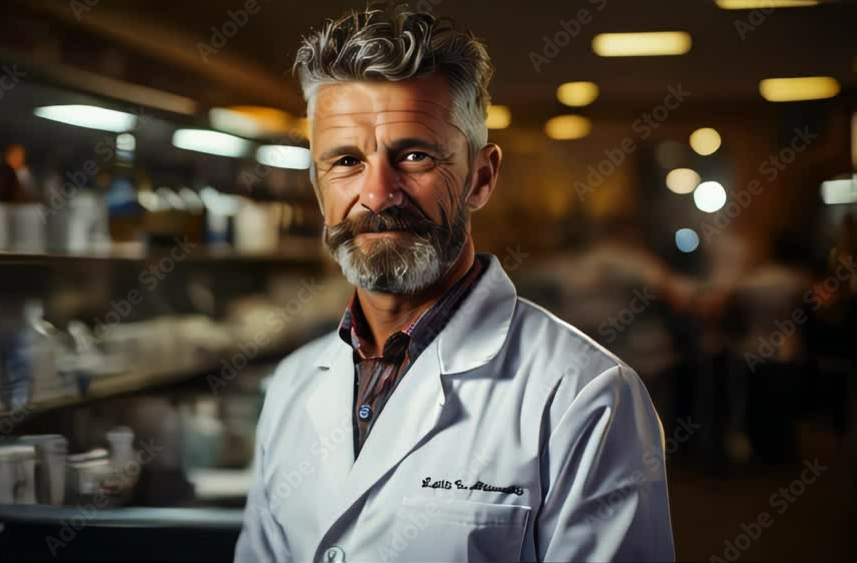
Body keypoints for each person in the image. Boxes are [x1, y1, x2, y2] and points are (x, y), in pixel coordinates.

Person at [234, 5, 674, 562]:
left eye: (414, 156)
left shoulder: (586, 396)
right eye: (346, 160)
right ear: (318, 187)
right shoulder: (290, 388)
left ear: (481, 178)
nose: (376, 195)